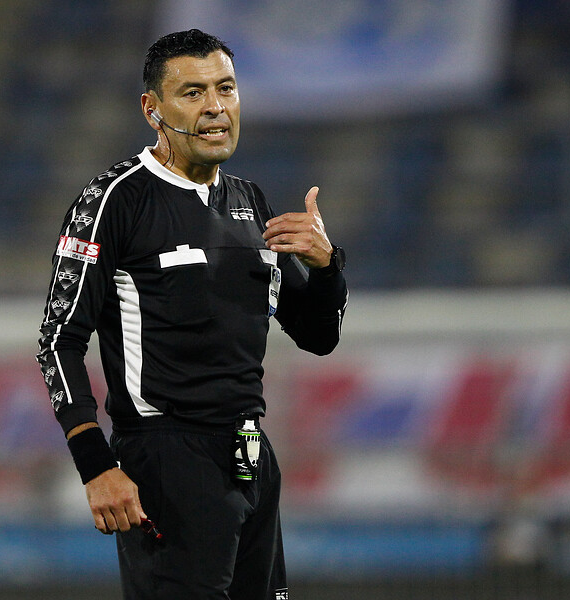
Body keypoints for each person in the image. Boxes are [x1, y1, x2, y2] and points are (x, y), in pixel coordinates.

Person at [36, 28, 348, 600]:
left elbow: (318, 335)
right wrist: (95, 464)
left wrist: (327, 268)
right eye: (193, 92)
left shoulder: (250, 201)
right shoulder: (113, 200)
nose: (215, 107)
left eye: (226, 88)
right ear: (152, 109)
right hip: (165, 458)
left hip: (252, 456)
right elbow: (58, 340)